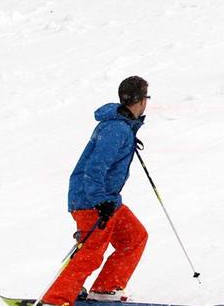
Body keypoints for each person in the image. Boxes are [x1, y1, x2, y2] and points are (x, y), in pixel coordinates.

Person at [41, 76, 150, 306]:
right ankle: (56, 300)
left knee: (134, 236)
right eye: (146, 98)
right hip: (92, 201)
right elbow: (94, 167)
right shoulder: (116, 129)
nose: (146, 103)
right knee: (91, 251)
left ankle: (105, 288)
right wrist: (99, 201)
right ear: (139, 100)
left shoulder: (121, 127)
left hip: (108, 200)